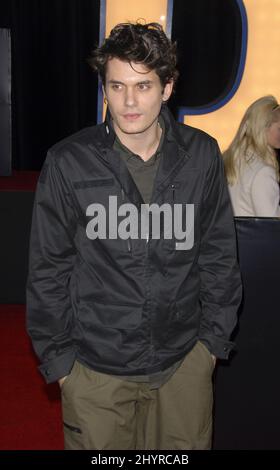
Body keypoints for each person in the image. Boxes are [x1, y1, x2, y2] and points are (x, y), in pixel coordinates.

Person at [26, 22, 242, 450]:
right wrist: (62, 364)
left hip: (183, 367)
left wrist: (210, 348)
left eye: (143, 85)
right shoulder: (68, 162)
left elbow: (219, 256)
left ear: (167, 88)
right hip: (95, 371)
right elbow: (47, 270)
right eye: (117, 86)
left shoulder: (201, 155)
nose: (128, 101)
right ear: (104, 89)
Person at [223, 95, 280, 217]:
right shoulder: (263, 172)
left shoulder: (230, 160)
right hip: (254, 236)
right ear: (263, 127)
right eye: (279, 128)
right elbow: (272, 228)